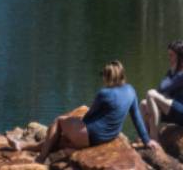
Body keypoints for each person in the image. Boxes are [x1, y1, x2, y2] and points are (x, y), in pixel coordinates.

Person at [10, 60, 157, 162]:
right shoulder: (131, 91)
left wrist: (75, 129)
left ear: (108, 77)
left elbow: (89, 115)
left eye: (104, 76)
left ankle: (41, 159)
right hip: (109, 136)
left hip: (92, 135)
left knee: (59, 122)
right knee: (58, 141)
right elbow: (137, 118)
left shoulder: (104, 93)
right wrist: (146, 140)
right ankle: (22, 146)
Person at [141, 40, 183, 142]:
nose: (169, 58)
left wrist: (171, 71)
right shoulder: (181, 69)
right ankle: (145, 138)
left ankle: (154, 140)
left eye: (171, 55)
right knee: (144, 104)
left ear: (179, 56)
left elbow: (162, 88)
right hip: (182, 109)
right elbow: (162, 90)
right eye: (168, 55)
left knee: (150, 94)